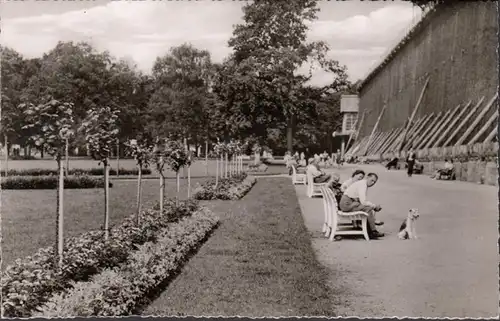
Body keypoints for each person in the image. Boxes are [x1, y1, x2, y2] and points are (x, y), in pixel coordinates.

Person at [339, 173, 385, 238]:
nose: (372, 183)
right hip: (347, 204)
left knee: (367, 208)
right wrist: (374, 206)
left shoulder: (362, 183)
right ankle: (373, 231)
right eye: (371, 180)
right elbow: (363, 202)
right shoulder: (363, 185)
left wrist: (373, 206)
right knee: (368, 209)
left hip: (348, 203)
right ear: (367, 177)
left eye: (374, 182)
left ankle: (370, 231)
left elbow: (361, 201)